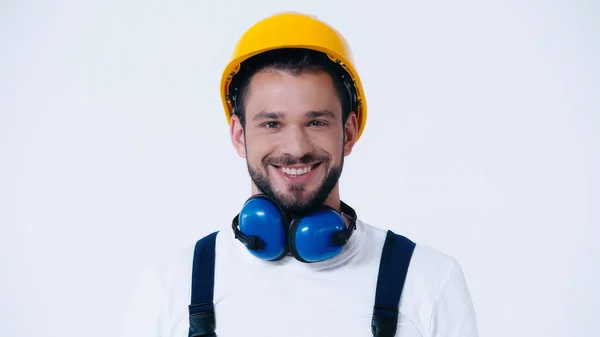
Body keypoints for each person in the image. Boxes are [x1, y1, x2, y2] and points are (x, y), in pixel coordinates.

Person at [119, 12, 479, 337]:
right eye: (272, 123)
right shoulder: (172, 288)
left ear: (349, 133)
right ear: (239, 135)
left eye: (317, 121)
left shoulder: (428, 281)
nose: (295, 146)